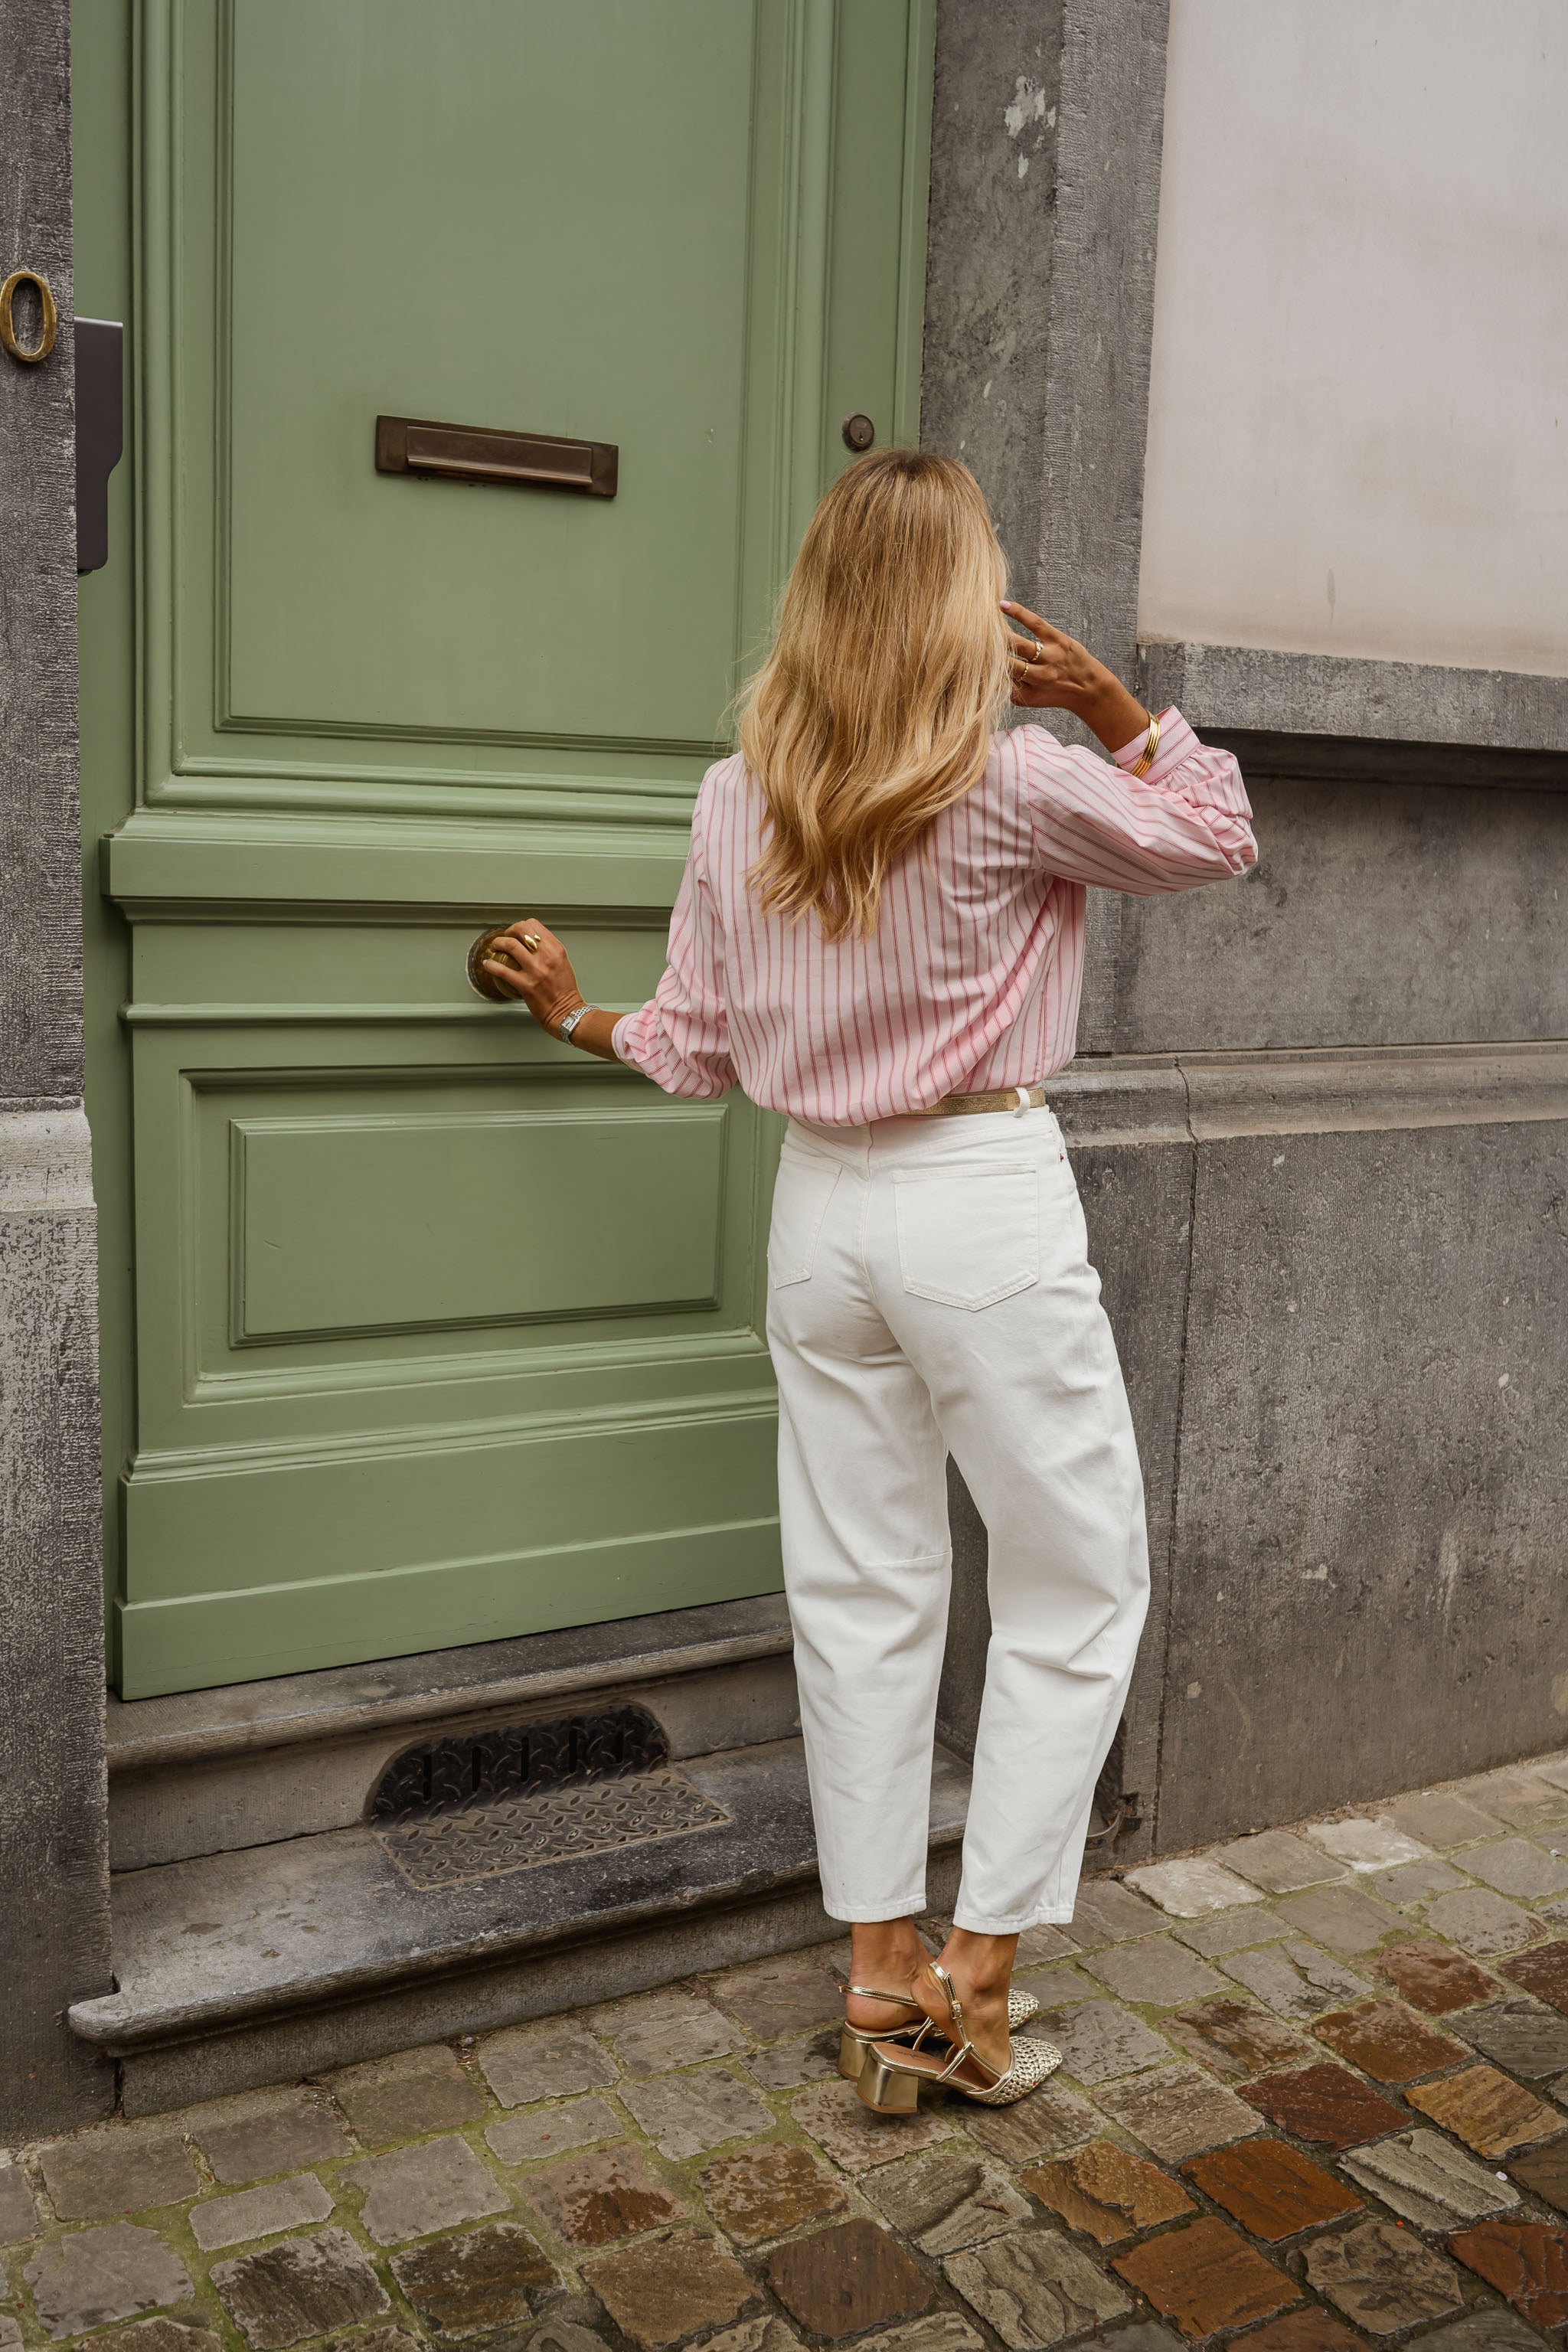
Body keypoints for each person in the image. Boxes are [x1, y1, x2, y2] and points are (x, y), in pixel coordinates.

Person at [482, 449, 1256, 2109]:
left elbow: (691, 1049)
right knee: (1075, 1582)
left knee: (857, 1594)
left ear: (820, 600)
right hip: (977, 1200)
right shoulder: (1017, 779)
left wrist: (565, 1013)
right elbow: (1217, 836)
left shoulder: (730, 794)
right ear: (963, 603)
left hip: (817, 1218)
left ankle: (875, 1974)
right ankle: (976, 1979)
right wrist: (1120, 703)